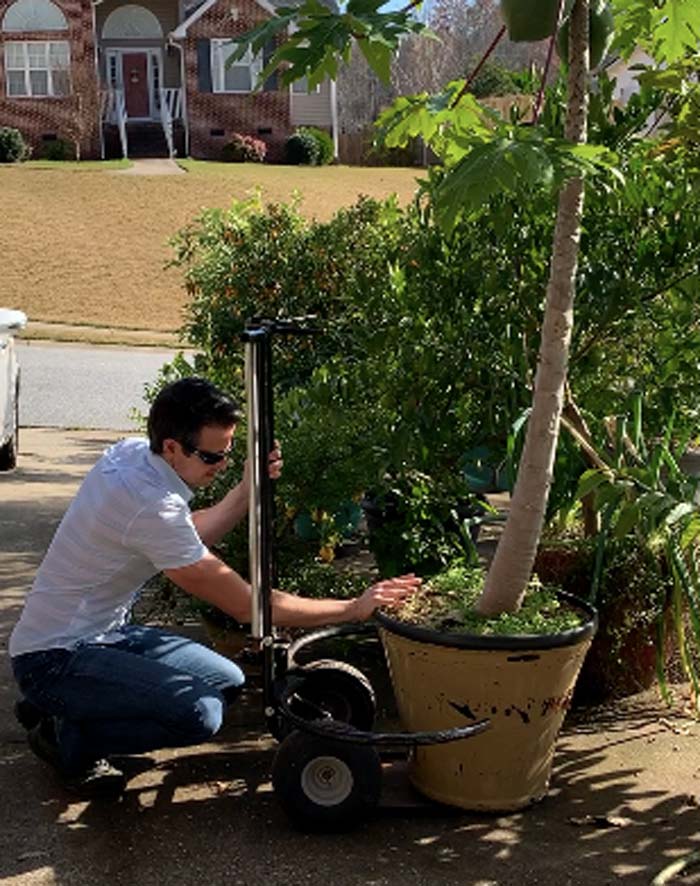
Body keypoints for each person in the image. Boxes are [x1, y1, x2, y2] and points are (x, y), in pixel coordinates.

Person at [10, 377, 418, 798]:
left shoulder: (134, 456)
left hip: (105, 634)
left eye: (228, 452)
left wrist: (247, 488)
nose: (222, 464)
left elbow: (186, 535)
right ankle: (66, 735)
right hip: (53, 658)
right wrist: (353, 608)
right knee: (199, 714)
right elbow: (247, 606)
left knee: (226, 681)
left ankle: (67, 705)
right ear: (172, 446)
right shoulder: (150, 506)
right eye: (211, 456)